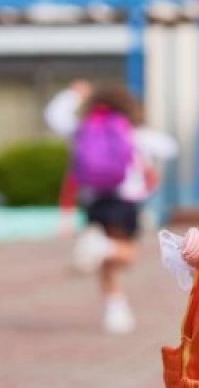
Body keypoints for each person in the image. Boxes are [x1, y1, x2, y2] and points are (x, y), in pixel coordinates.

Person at [45, 80, 177, 334]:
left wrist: (73, 94)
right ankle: (104, 259)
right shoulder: (132, 132)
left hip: (94, 199)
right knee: (126, 254)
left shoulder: (82, 128)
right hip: (124, 200)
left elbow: (53, 117)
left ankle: (116, 308)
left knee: (106, 261)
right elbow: (169, 147)